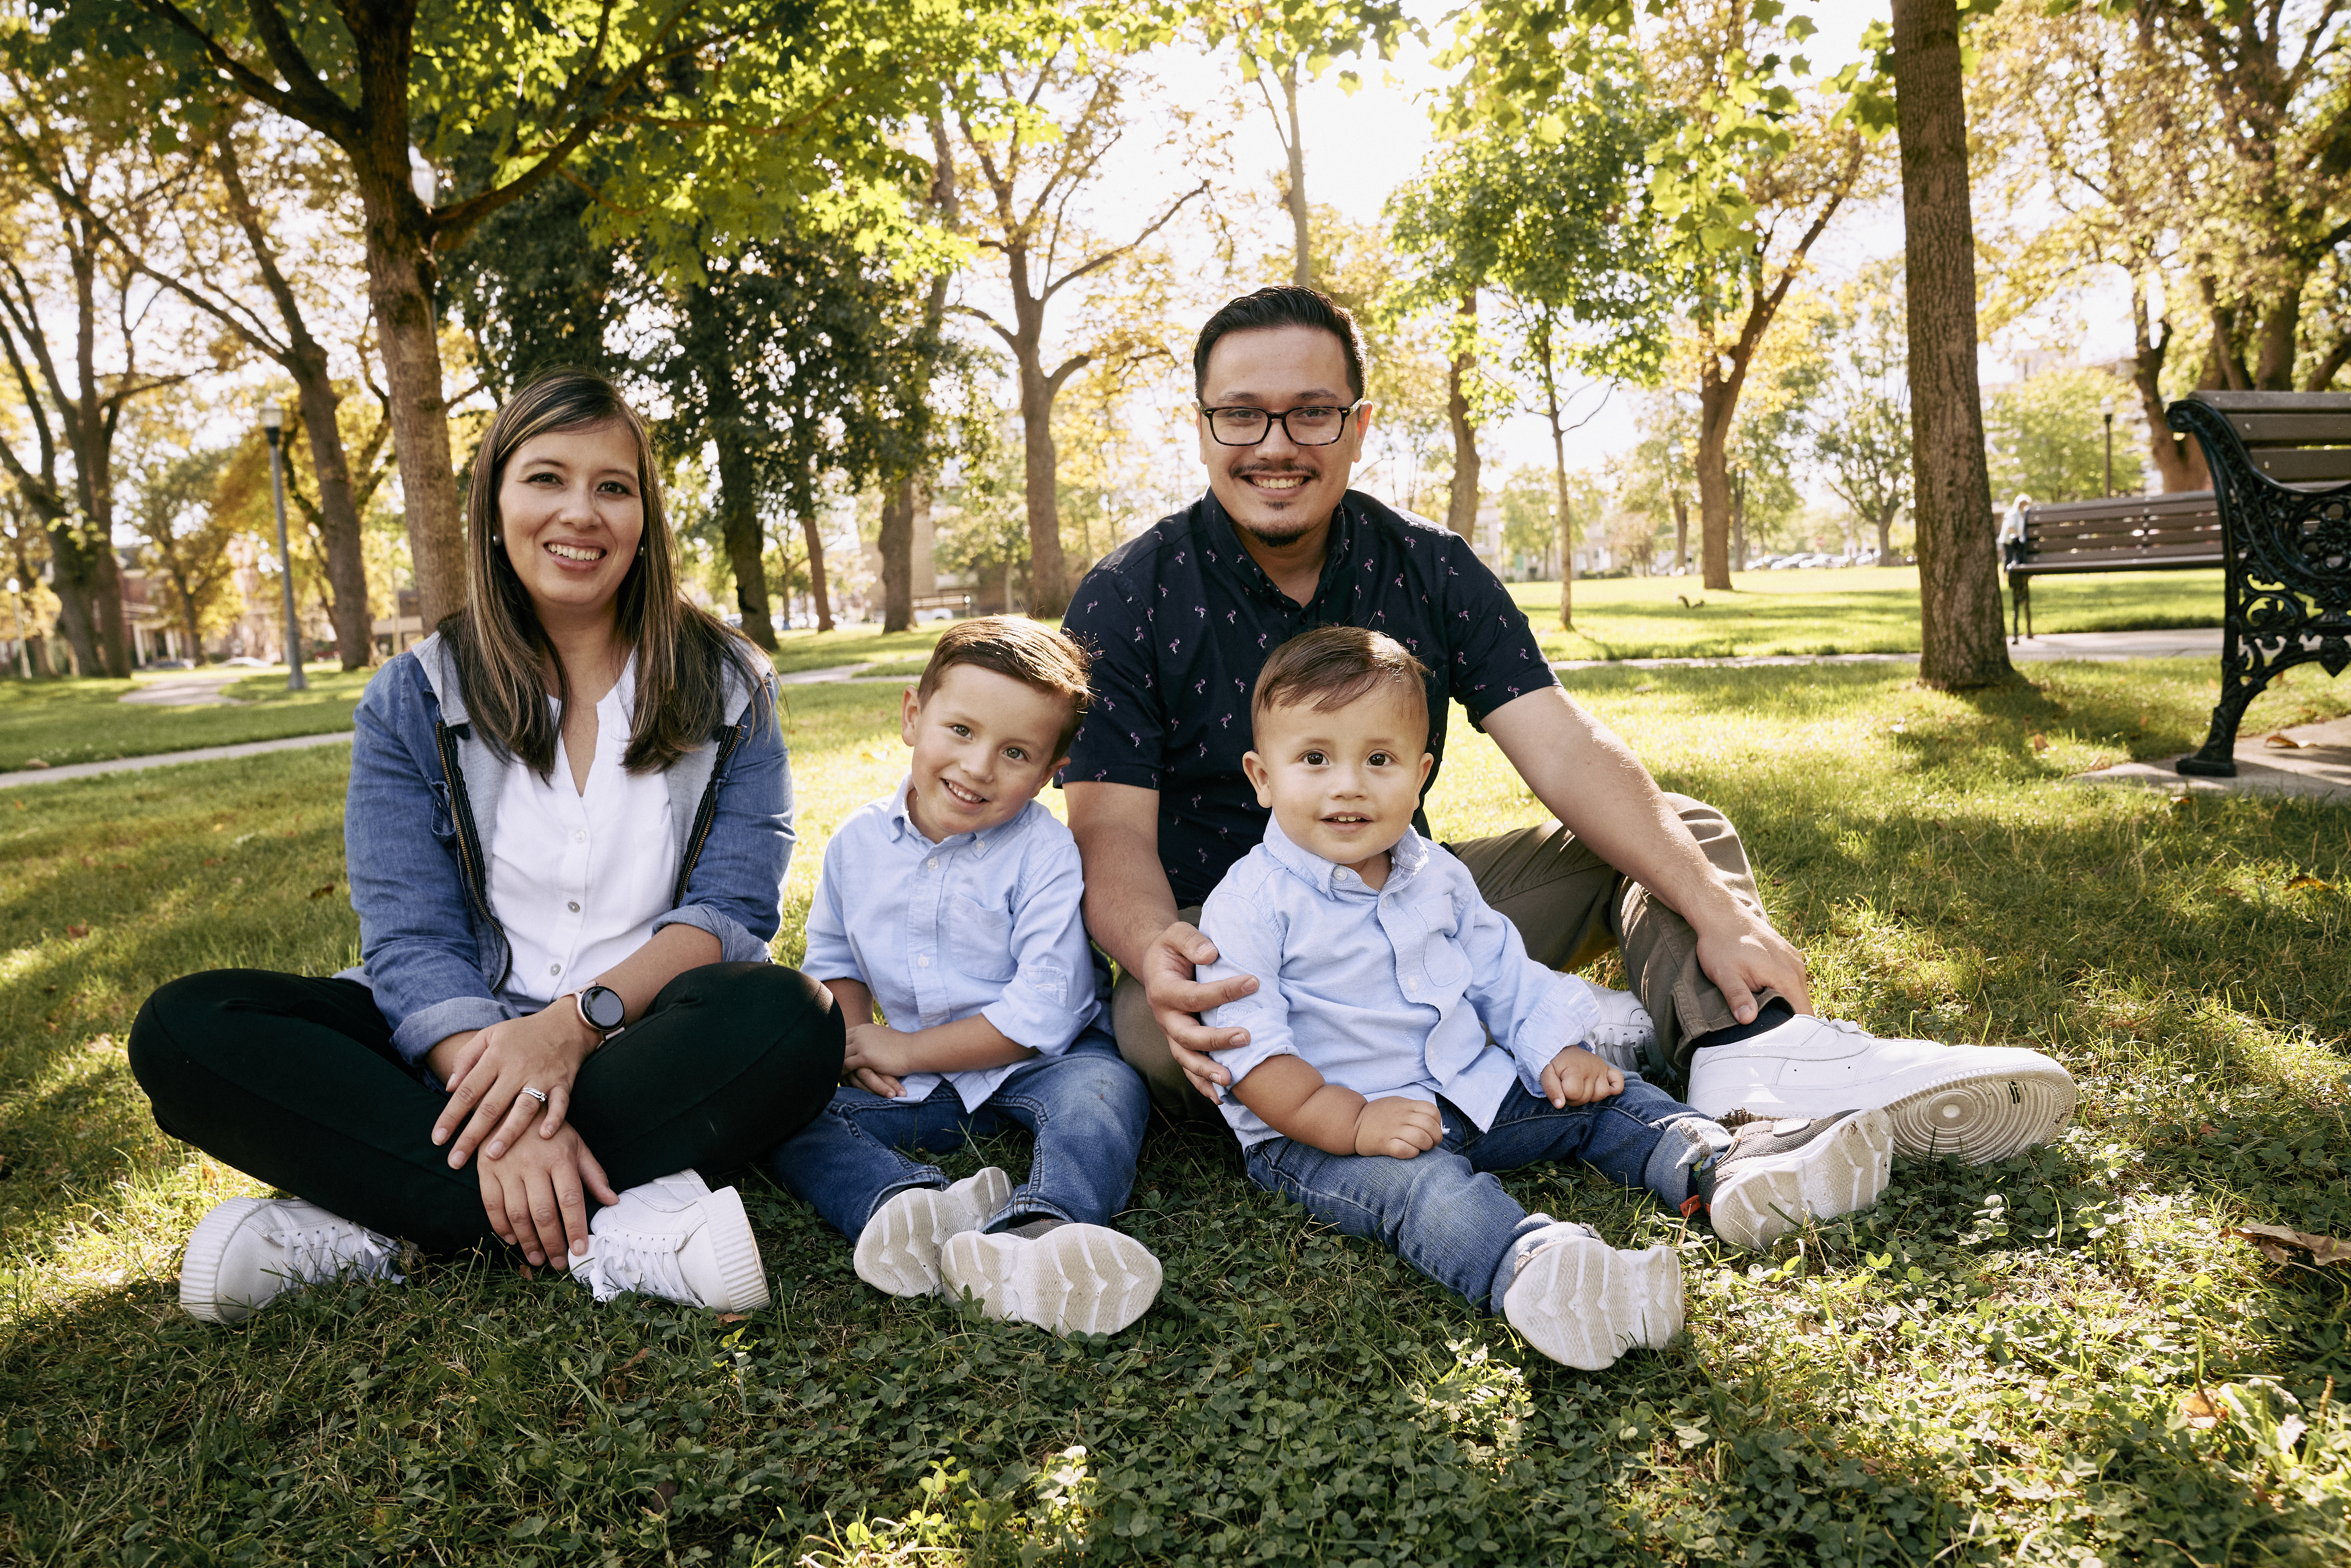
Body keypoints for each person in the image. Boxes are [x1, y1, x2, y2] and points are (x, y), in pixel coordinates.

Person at [1061, 285, 2076, 1161]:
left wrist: (1720, 913)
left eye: (1311, 414)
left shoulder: (1431, 565)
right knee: (1158, 1040)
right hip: (1224, 936)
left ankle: (1748, 1060)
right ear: (1201, 428)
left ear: (1358, 427)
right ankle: (1474, 1047)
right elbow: (1110, 838)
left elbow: (1564, 746)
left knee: (1679, 837)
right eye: (1242, 416)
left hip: (1405, 906)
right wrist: (1158, 953)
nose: (1276, 446)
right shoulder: (1129, 595)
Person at [128, 370, 843, 1324]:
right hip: (445, 1050)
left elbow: (732, 910)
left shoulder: (730, 686)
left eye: (613, 487)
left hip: (643, 1040)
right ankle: (622, 1221)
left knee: (795, 1018)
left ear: (645, 516)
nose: (579, 514)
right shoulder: (413, 698)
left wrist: (569, 1030)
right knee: (185, 1029)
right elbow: (411, 938)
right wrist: (508, 1096)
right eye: (546, 478)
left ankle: (370, 1220)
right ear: (496, 503)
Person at [1197, 627, 1894, 1369]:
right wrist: (1353, 1120)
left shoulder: (1433, 873)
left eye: (1379, 760)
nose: (1348, 785)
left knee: (1605, 1101)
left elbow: (1504, 975)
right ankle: (1537, 1266)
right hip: (1324, 1133)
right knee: (1426, 1192)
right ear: (1261, 775)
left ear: (1421, 772)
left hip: (1468, 1088)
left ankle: (1721, 1168)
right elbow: (1254, 1057)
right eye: (1314, 759)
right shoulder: (1248, 907)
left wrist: (1553, 1047)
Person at [768, 618, 1160, 1336]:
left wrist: (907, 1050)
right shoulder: (857, 846)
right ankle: (903, 1206)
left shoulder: (1043, 851)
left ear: (1051, 773)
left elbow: (1044, 1010)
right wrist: (857, 1043)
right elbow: (834, 962)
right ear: (914, 718)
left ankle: (1041, 1233)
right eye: (961, 731)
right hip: (926, 1083)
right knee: (785, 1111)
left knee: (1107, 1096)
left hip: (1050, 1063)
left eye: (1016, 753)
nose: (979, 767)